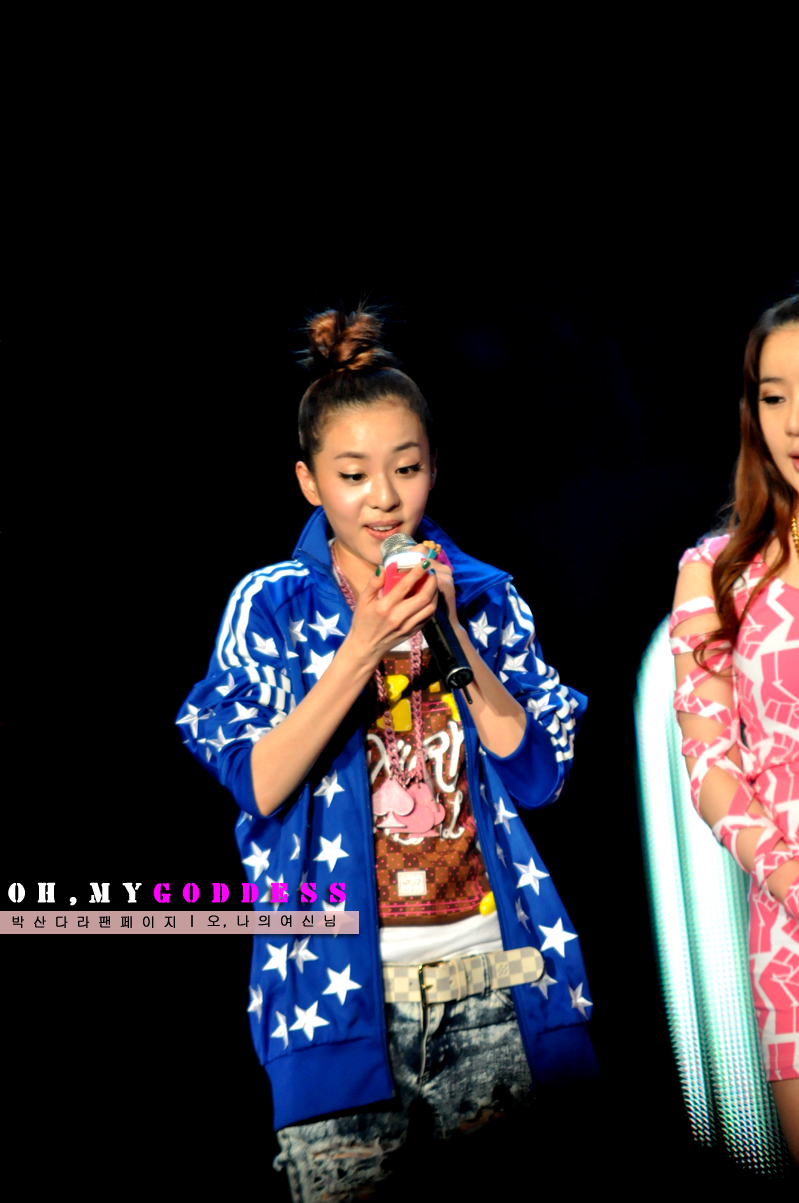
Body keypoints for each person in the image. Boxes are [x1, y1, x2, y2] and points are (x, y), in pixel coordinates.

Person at [177, 306, 597, 1200]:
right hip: (336, 1001)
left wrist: (454, 632)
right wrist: (361, 643)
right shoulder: (272, 606)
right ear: (308, 482)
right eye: (352, 474)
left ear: (433, 467)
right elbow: (257, 780)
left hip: (496, 982)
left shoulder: (484, 596)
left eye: (405, 468)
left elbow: (538, 774)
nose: (383, 497)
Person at [671, 292, 799, 1166]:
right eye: (773, 395)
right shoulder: (716, 572)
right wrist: (788, 877)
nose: (792, 422)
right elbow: (708, 761)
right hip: (791, 928)